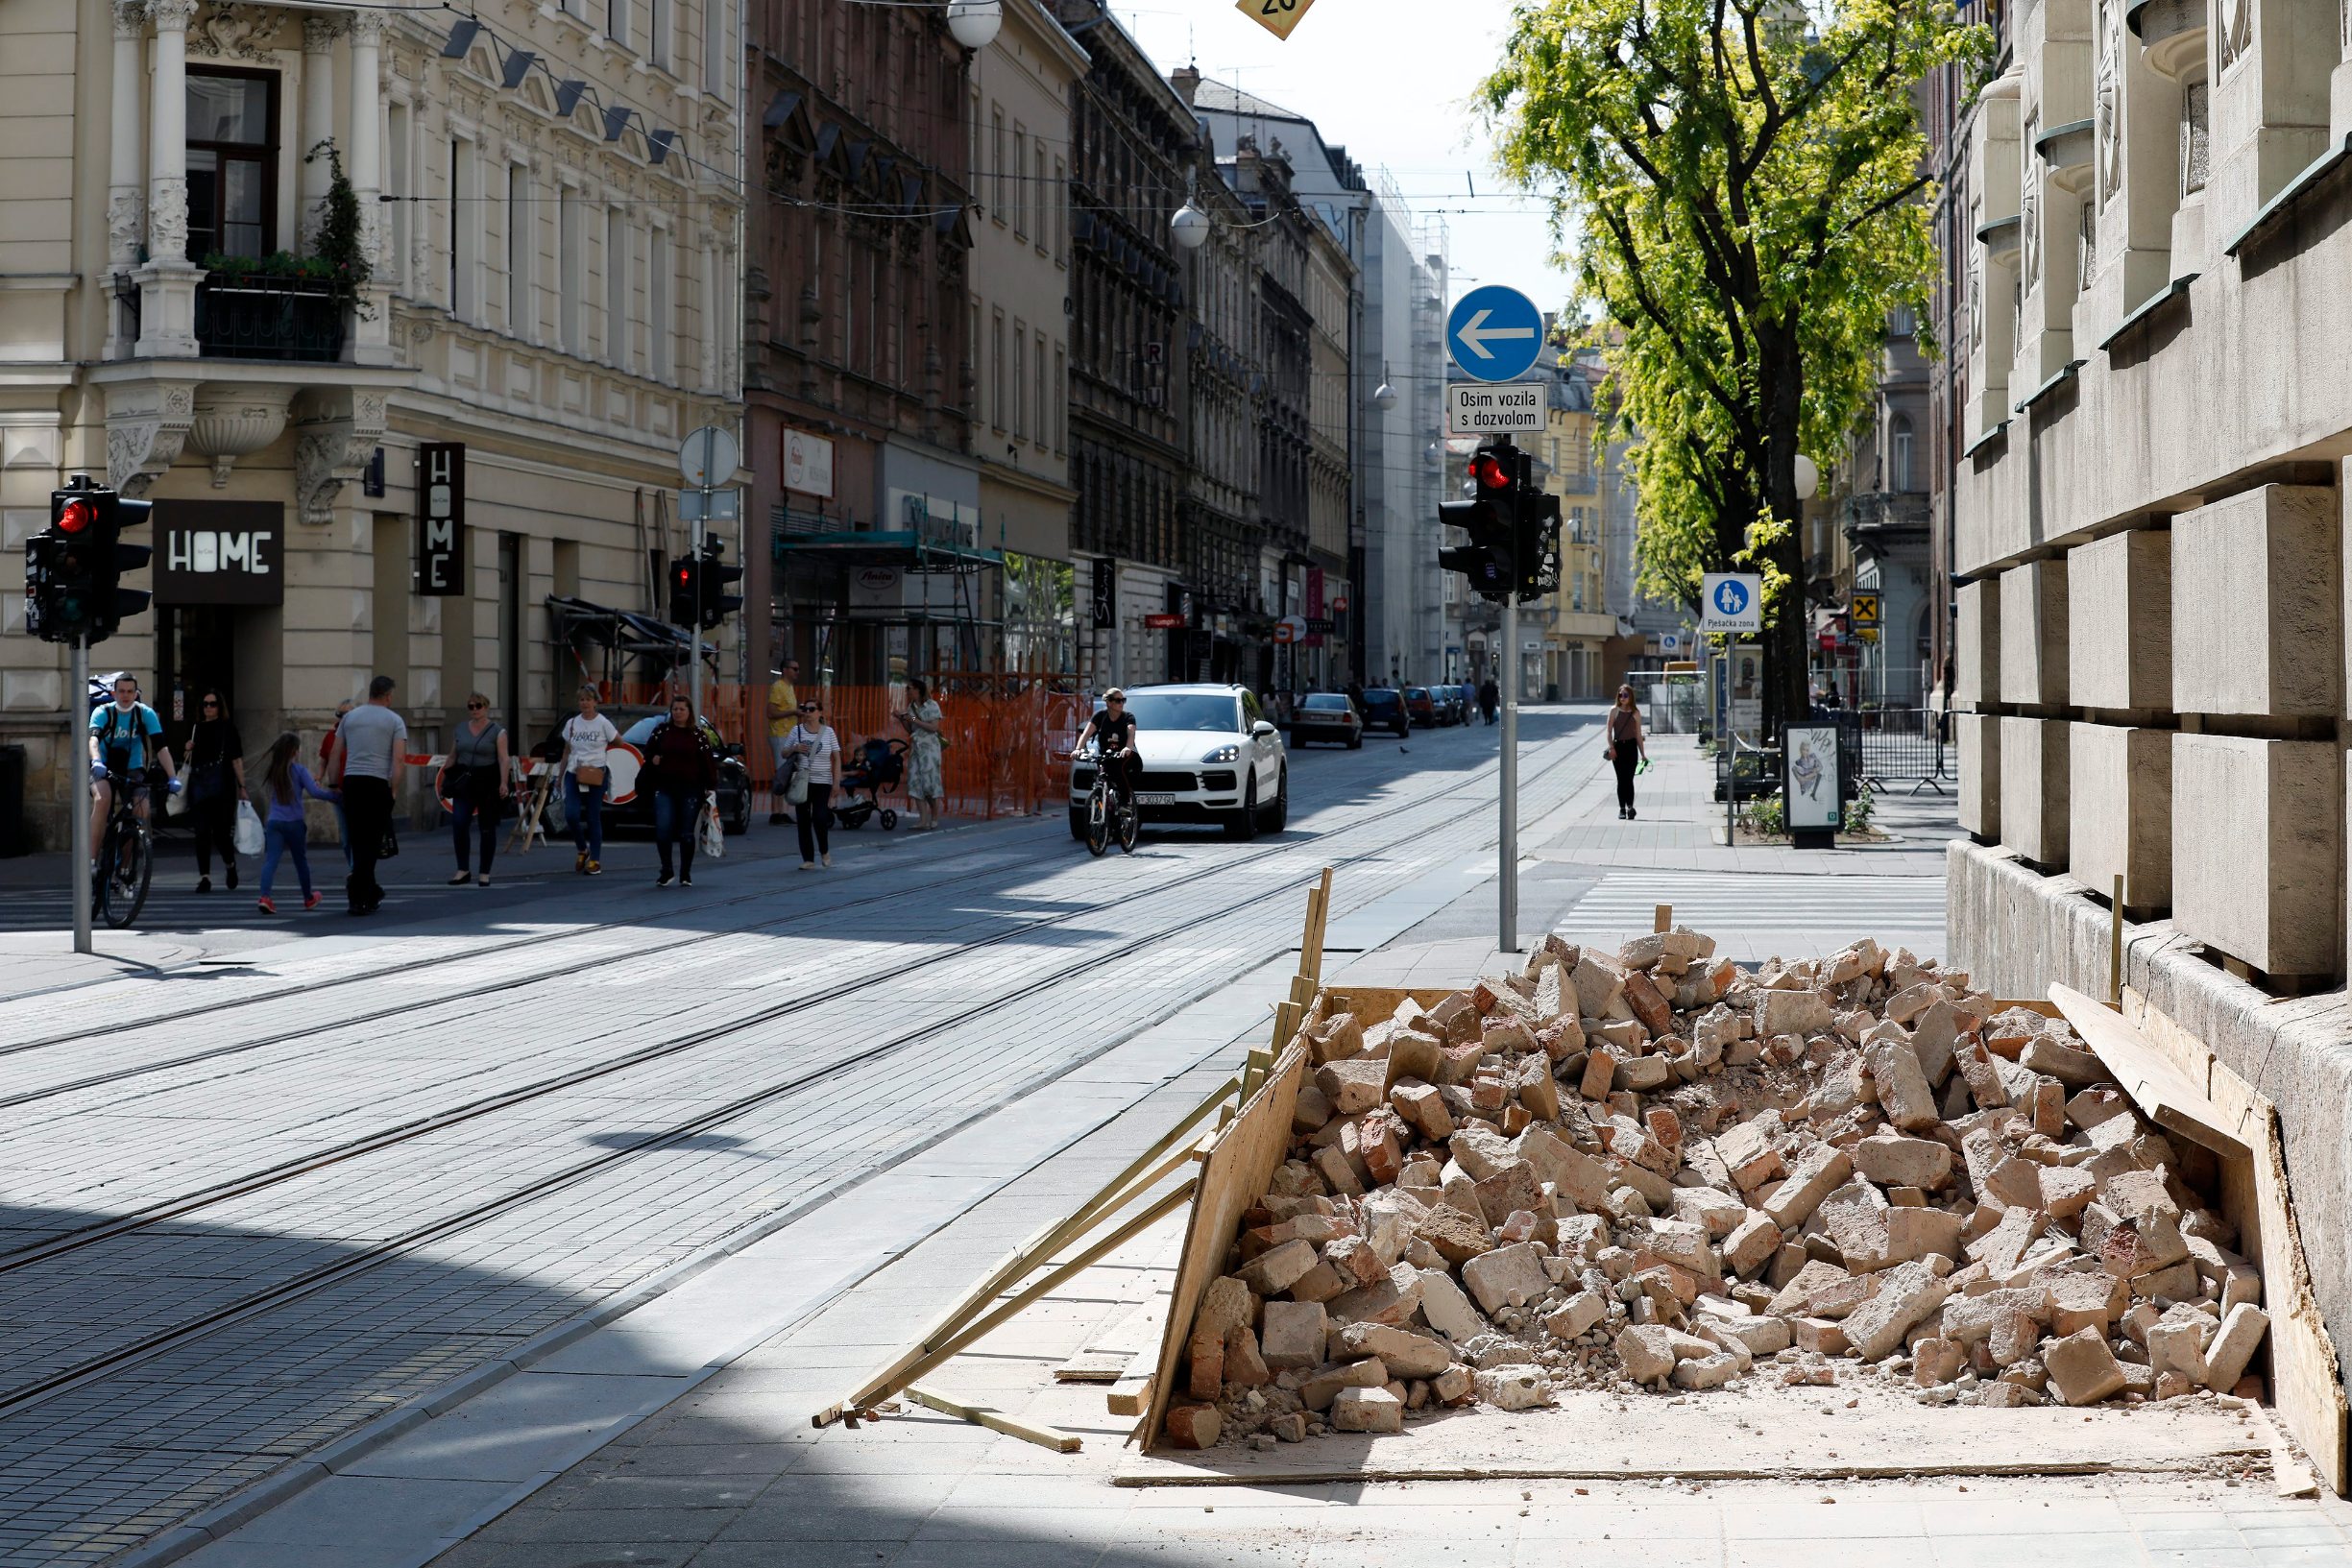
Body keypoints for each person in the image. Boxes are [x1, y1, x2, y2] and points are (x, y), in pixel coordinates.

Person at [329, 676, 406, 914]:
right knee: (371, 842)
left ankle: (370, 891)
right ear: (388, 695)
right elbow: (399, 759)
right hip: (376, 783)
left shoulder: (350, 717)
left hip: (352, 782)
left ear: (370, 693)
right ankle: (359, 894)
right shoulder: (394, 720)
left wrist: (334, 783)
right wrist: (394, 788)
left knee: (358, 838)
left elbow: (335, 752)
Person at [88, 673, 178, 863]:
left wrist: (172, 776)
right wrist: (96, 760)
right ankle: (92, 861)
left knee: (141, 808)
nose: (125, 696)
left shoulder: (145, 713)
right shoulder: (103, 712)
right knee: (103, 798)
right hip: (103, 767)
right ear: (113, 693)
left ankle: (125, 867)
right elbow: (93, 739)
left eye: (130, 691)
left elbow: (161, 747)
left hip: (132, 768)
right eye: (121, 691)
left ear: (136, 694)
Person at [255, 731, 338, 914]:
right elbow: (315, 793)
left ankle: (265, 897)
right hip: (294, 823)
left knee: (271, 861)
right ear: (294, 751)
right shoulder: (299, 770)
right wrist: (335, 797)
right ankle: (308, 898)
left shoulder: (273, 770)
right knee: (300, 862)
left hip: (274, 821)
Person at [642, 695, 720, 887]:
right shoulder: (662, 731)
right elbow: (648, 752)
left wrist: (711, 787)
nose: (677, 712)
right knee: (662, 830)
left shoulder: (698, 735)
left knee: (686, 832)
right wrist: (653, 759)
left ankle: (685, 872)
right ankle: (666, 870)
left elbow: (707, 761)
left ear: (689, 712)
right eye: (674, 709)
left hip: (690, 789)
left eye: (681, 709)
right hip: (665, 787)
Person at [438, 692, 510, 886]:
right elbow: (453, 755)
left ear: (486, 707)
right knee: (459, 822)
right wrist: (445, 779)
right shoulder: (460, 729)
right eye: (471, 706)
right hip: (465, 781)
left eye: (478, 706)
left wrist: (504, 782)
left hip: (488, 781)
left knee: (487, 827)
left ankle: (484, 872)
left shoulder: (497, 731)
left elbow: (504, 759)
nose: (475, 710)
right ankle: (463, 869)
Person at [183, 688, 247, 892]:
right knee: (201, 832)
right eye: (205, 704)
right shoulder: (196, 728)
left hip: (223, 787)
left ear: (220, 707)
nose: (208, 708)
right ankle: (205, 877)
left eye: (212, 704)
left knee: (221, 834)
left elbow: (237, 759)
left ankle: (230, 865)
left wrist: (242, 787)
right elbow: (188, 758)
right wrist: (187, 748)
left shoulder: (228, 728)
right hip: (200, 785)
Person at [559, 685, 619, 876]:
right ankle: (582, 848)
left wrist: (601, 753)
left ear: (595, 702)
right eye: (582, 700)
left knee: (593, 815)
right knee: (571, 814)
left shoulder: (603, 723)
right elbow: (567, 750)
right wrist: (559, 775)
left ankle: (595, 859)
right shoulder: (572, 724)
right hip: (574, 770)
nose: (585, 703)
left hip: (596, 771)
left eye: (588, 699)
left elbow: (620, 741)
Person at [786, 696, 842, 870]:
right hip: (802, 781)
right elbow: (783, 752)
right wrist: (794, 749)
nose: (807, 713)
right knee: (803, 819)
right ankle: (808, 858)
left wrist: (836, 783)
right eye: (805, 709)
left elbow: (837, 758)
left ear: (819, 712)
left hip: (823, 780)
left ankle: (824, 851)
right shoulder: (797, 731)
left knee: (819, 817)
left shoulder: (829, 732)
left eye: (811, 709)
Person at [1071, 688, 1139, 811]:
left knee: (1118, 770)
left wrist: (1128, 747)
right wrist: (1078, 749)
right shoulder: (1100, 716)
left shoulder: (1128, 717)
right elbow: (1086, 734)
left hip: (1125, 755)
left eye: (1123, 700)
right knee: (1101, 775)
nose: (1121, 703)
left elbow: (1131, 733)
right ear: (1109, 703)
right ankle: (1103, 803)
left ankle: (1125, 803)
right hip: (1106, 755)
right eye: (1118, 701)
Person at [897, 677, 945, 831]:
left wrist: (913, 719)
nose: (907, 692)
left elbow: (933, 727)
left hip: (930, 749)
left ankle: (934, 815)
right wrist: (902, 719)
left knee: (929, 783)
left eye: (909, 688)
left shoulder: (932, 705)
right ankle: (923, 819)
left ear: (918, 689)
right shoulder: (911, 707)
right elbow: (911, 729)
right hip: (916, 749)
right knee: (915, 782)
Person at [765, 659, 800, 825]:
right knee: (781, 772)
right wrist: (793, 711)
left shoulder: (789, 688)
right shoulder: (778, 687)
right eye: (794, 669)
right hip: (779, 734)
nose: (797, 672)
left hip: (788, 734)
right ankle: (775, 812)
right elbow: (771, 712)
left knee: (785, 772)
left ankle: (781, 810)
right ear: (785, 670)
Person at [1606, 684, 1647, 820]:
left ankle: (1630, 807)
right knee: (1621, 779)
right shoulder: (1614, 711)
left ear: (1630, 697)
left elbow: (1638, 735)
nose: (1622, 698)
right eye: (1620, 695)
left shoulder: (1635, 713)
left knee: (1629, 779)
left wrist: (1643, 754)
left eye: (1625, 695)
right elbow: (1608, 731)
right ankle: (1622, 809)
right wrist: (1611, 748)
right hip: (1618, 748)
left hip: (1631, 748)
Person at [322, 699, 355, 869]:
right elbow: (325, 758)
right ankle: (353, 866)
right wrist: (318, 777)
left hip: (356, 791)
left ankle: (356, 870)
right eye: (340, 715)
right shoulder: (331, 736)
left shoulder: (359, 735)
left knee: (357, 834)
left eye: (348, 714)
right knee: (345, 837)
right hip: (338, 792)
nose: (344, 718)